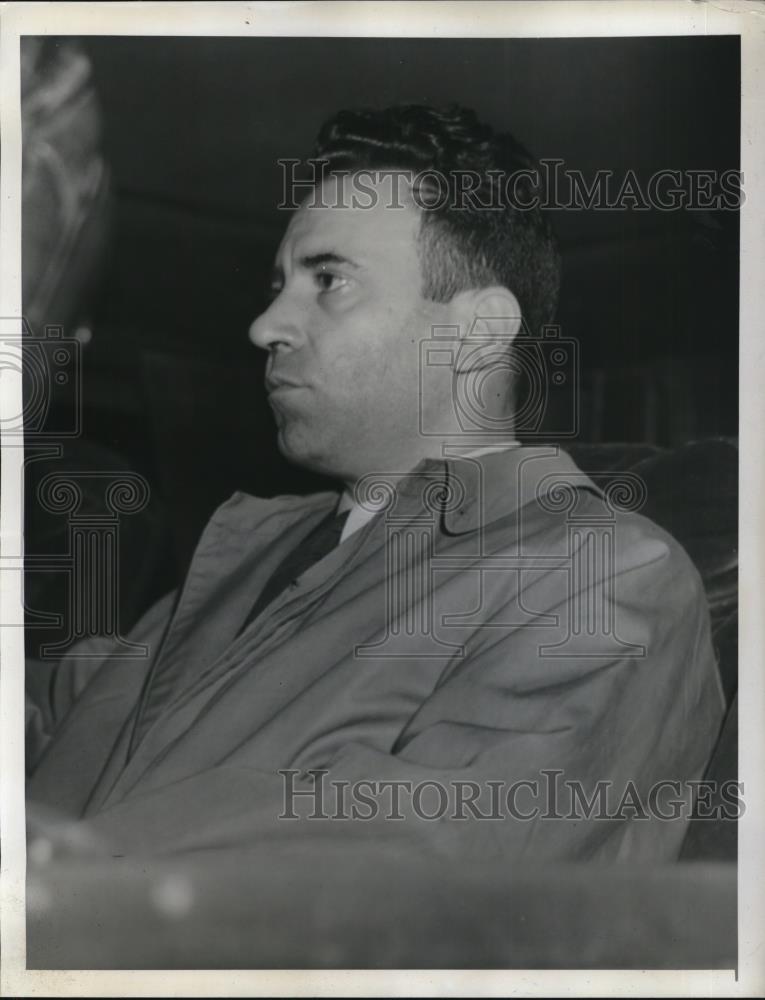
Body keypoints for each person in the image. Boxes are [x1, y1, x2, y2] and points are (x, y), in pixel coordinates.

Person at [26, 104, 724, 863]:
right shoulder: (245, 557)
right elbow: (48, 714)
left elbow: (436, 867)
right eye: (277, 283)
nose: (265, 324)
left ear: (478, 331)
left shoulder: (601, 572)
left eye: (328, 280)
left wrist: (50, 871)